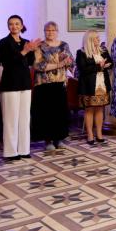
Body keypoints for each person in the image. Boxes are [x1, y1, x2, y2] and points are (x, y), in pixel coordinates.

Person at [0, 15, 40, 161]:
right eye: (11, 24)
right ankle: (10, 151)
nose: (14, 26)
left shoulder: (26, 42)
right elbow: (8, 62)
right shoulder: (4, 42)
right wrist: (24, 51)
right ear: (8, 26)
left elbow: (30, 62)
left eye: (17, 24)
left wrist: (33, 50)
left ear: (21, 26)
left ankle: (24, 149)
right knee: (11, 119)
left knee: (25, 118)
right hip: (10, 84)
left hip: (25, 83)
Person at [32, 21, 73, 150]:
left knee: (60, 112)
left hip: (60, 83)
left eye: (53, 30)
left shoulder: (64, 45)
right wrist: (59, 64)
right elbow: (38, 66)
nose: (50, 32)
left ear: (57, 31)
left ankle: (59, 138)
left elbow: (71, 61)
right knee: (46, 113)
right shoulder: (39, 46)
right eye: (47, 30)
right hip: (44, 84)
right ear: (44, 32)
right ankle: (48, 140)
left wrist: (69, 62)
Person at [76, 30, 112, 144]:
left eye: (98, 37)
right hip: (89, 86)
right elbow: (83, 69)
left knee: (100, 109)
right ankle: (90, 134)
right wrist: (99, 66)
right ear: (90, 39)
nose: (99, 39)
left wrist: (106, 65)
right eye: (96, 38)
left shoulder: (103, 50)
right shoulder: (81, 52)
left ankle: (99, 133)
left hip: (102, 85)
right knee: (89, 110)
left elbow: (111, 63)